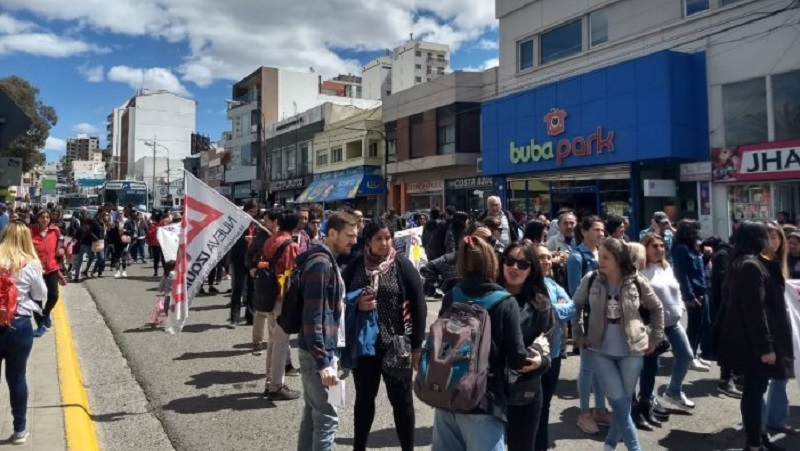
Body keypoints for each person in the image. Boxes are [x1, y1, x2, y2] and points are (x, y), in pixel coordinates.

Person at [431, 235, 541, 451]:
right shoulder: (504, 301)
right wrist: (538, 354)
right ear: (493, 262)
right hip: (483, 399)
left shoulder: (453, 295)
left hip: (447, 395)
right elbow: (517, 357)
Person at [342, 218, 426, 451]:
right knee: (364, 400)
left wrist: (417, 346)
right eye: (378, 238)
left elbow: (419, 306)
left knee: (402, 403)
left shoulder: (402, 266)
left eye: (387, 238)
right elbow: (340, 300)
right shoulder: (356, 267)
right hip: (365, 347)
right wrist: (356, 303)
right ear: (368, 241)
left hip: (396, 347)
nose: (384, 243)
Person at [572, 238, 664, 451]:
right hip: (600, 349)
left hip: (632, 350)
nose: (600, 260)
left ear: (618, 258)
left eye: (606, 257)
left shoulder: (636, 280)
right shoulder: (591, 279)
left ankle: (610, 444)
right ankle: (635, 448)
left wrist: (654, 338)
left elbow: (657, 308)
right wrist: (578, 334)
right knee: (620, 403)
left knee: (621, 404)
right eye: (599, 255)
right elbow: (575, 306)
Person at [718, 221, 794, 451]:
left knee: (754, 390)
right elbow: (755, 311)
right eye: (765, 236)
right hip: (754, 345)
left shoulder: (749, 263)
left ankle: (757, 439)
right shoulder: (750, 266)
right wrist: (766, 347)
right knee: (753, 392)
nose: (770, 241)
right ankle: (754, 443)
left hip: (752, 342)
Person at [295, 212, 357, 451]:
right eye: (349, 236)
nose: (353, 241)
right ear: (332, 233)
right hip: (320, 354)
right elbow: (312, 317)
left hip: (325, 351)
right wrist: (323, 361)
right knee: (327, 419)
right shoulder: (321, 264)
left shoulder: (327, 260)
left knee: (314, 414)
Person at [496, 241, 555, 451]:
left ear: (531, 270)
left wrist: (539, 360)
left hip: (525, 393)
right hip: (487, 393)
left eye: (523, 264)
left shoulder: (541, 304)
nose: (514, 268)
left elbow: (547, 347)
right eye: (510, 261)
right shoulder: (488, 298)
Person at [0, 222, 48, 444]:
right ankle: (19, 430)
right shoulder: (30, 264)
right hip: (19, 325)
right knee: (17, 378)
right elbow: (40, 294)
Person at [640, 235, 695, 424]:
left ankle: (673, 391)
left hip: (673, 322)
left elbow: (676, 289)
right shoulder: (641, 270)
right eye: (654, 246)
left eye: (662, 246)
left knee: (686, 355)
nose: (659, 249)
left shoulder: (666, 266)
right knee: (651, 366)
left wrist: (680, 307)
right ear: (644, 249)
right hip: (654, 325)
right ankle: (648, 397)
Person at [567, 216, 610, 435]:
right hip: (589, 324)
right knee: (587, 370)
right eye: (596, 229)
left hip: (605, 325)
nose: (601, 233)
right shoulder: (576, 257)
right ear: (583, 231)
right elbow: (576, 298)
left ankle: (600, 409)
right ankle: (584, 413)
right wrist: (578, 331)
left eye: (603, 230)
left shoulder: (601, 253)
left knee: (600, 370)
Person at [533, 244, 575, 451]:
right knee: (530, 405)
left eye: (549, 258)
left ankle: (540, 444)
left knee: (545, 405)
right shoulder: (525, 285)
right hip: (532, 356)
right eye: (541, 257)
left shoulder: (553, 284)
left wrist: (550, 307)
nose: (547, 261)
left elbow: (572, 307)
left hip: (554, 352)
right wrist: (555, 307)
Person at [261, 211, 302, 400]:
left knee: (272, 340)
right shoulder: (291, 245)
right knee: (280, 343)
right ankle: (276, 386)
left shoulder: (270, 240)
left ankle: (270, 382)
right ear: (294, 226)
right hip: (282, 297)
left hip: (268, 294)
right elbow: (292, 273)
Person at [762, 222, 796, 439]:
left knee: (781, 376)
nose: (773, 242)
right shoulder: (756, 263)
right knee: (761, 380)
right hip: (767, 329)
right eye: (769, 237)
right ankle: (760, 426)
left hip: (783, 326)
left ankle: (776, 419)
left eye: (776, 237)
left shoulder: (779, 262)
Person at [671, 219, 711, 372]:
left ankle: (693, 353)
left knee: (702, 324)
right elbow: (683, 274)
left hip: (702, 289)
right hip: (694, 292)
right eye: (695, 230)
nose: (697, 233)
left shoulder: (693, 247)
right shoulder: (681, 248)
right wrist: (689, 295)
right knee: (694, 326)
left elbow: (699, 268)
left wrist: (706, 256)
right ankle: (689, 356)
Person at [30, 209, 63, 337]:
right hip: (36, 270)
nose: (45, 219)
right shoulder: (30, 231)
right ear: (37, 218)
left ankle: (46, 313)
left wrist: (61, 251)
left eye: (47, 217)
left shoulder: (55, 231)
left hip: (52, 268)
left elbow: (60, 247)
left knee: (54, 295)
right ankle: (40, 325)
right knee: (36, 298)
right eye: (42, 217)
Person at [228, 201, 259, 328]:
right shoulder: (237, 223)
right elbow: (231, 239)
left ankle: (250, 316)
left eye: (255, 212)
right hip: (239, 257)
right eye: (251, 211)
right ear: (245, 210)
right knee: (238, 288)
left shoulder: (257, 224)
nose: (253, 214)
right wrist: (243, 239)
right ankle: (234, 318)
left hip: (252, 259)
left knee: (252, 288)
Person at [147, 212, 165, 277]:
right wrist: (156, 229)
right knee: (156, 259)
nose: (160, 219)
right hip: (155, 244)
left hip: (163, 244)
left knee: (164, 259)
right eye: (159, 217)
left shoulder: (164, 224)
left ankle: (165, 273)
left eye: (161, 217)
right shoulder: (153, 225)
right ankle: (155, 272)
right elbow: (149, 234)